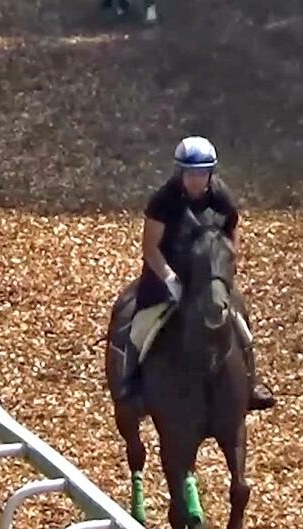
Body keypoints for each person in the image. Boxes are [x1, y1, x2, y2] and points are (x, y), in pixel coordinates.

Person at [116, 135, 276, 410]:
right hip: (167, 273)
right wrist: (169, 279)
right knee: (141, 324)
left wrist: (228, 262)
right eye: (190, 173)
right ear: (180, 172)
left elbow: (231, 229)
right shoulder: (163, 201)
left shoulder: (220, 195)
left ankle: (251, 383)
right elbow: (150, 247)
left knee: (239, 318)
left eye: (202, 173)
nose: (196, 179)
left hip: (208, 273)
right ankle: (132, 382)